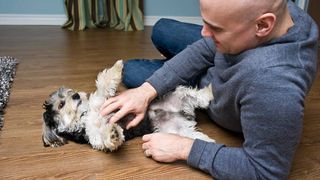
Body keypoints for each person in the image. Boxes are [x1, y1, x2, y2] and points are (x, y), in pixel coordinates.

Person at [100, 0, 319, 179]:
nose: (204, 33)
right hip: (225, 61)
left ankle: (184, 68)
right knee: (161, 28)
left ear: (262, 26)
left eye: (216, 28)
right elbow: (207, 47)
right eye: (206, 23)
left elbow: (266, 170)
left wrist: (186, 148)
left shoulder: (274, 88)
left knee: (131, 70)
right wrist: (146, 90)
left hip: (209, 91)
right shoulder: (285, 11)